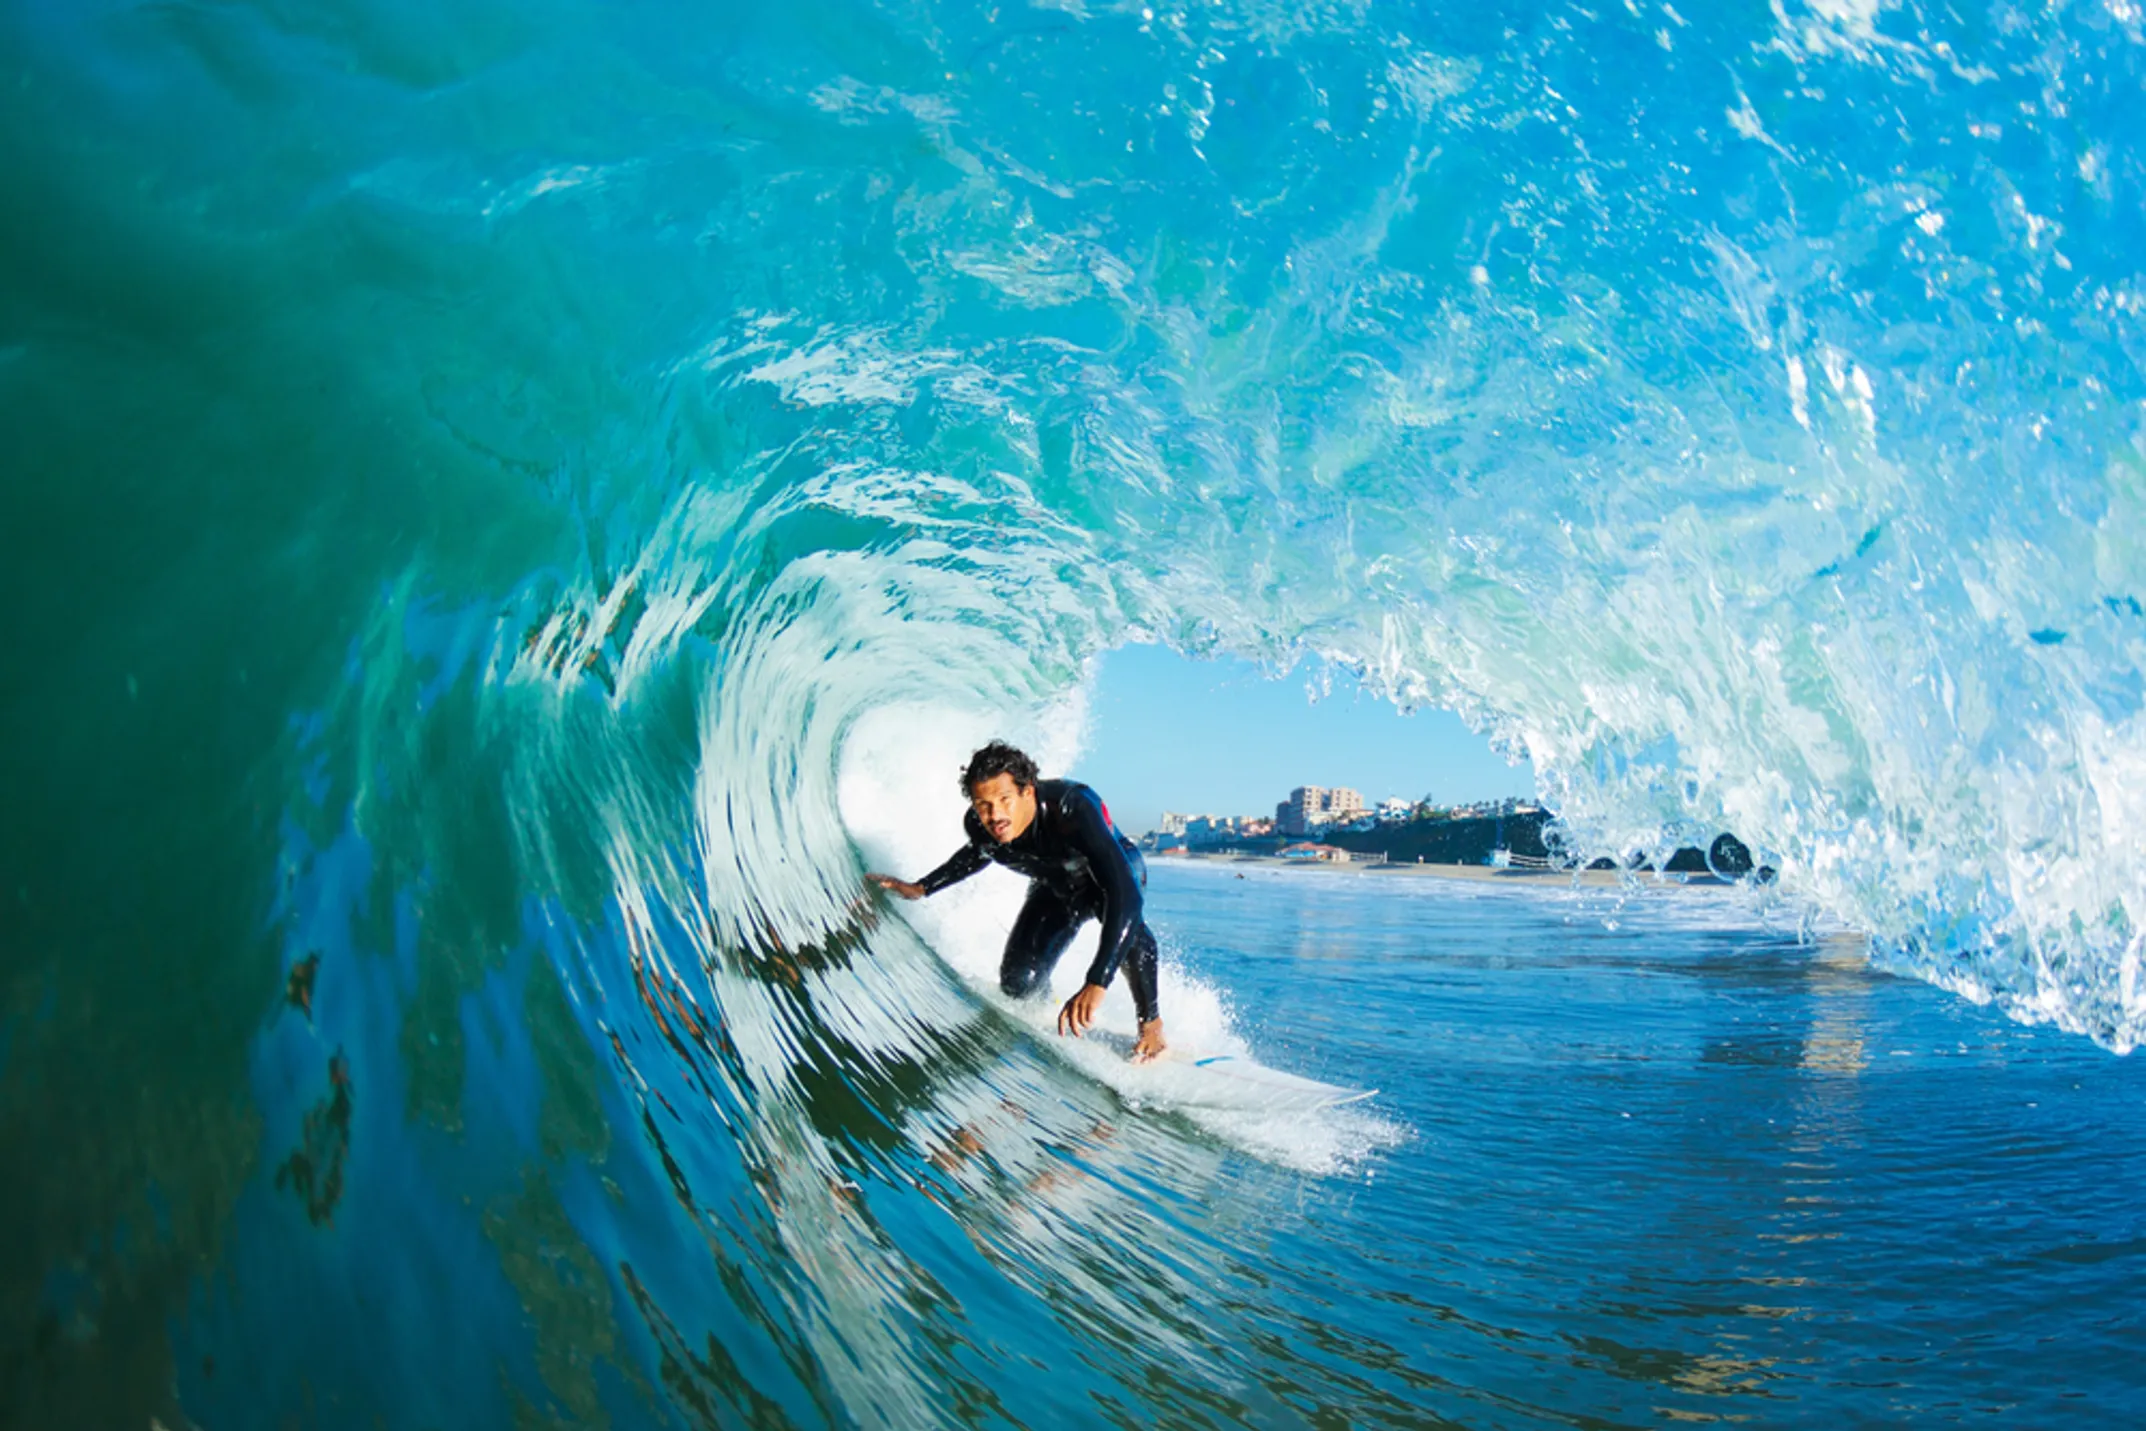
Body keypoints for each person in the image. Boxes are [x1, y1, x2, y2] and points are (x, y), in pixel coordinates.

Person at [866, 741, 1167, 1063]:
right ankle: (1047, 1007)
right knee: (1017, 982)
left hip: (1109, 875)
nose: (994, 815)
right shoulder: (981, 825)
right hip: (1056, 886)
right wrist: (922, 888)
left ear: (1028, 792)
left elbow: (1124, 893)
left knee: (1127, 923)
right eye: (983, 805)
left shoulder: (1073, 807)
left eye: (1004, 800)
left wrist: (1097, 980)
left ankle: (1150, 1024)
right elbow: (976, 855)